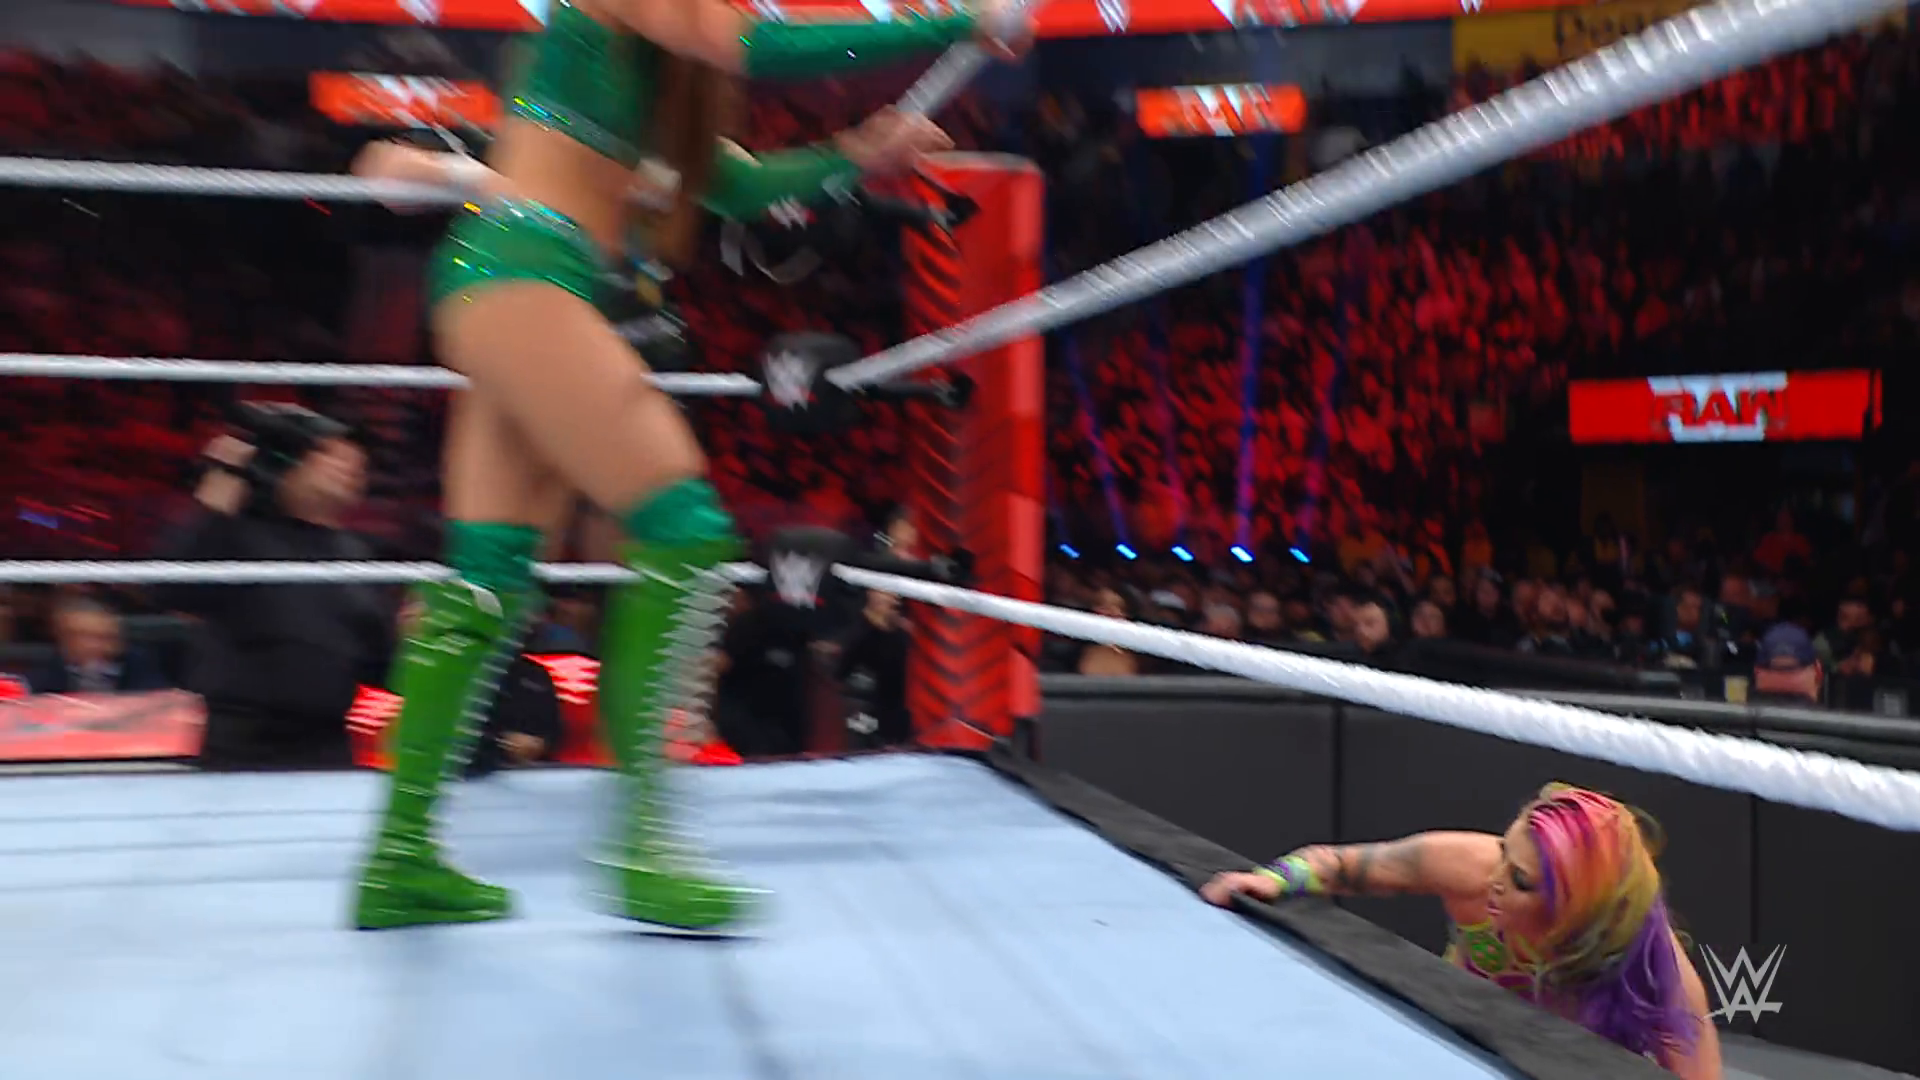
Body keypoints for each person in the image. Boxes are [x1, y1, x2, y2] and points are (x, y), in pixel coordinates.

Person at [346, 0, 1034, 935]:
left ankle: (400, 862)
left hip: (527, 276)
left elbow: (733, 185)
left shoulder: (663, 80)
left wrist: (857, 152)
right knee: (689, 533)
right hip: (525, 271)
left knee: (489, 577)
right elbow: (746, 42)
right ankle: (643, 849)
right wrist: (950, 21)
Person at [1200, 783, 1722, 1079]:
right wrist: (1273, 879)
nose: (1495, 880)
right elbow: (1336, 864)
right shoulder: (1471, 865)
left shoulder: (1658, 974)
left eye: (1520, 880)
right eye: (1505, 851)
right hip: (1452, 1055)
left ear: (1575, 906)